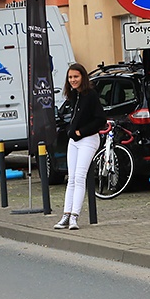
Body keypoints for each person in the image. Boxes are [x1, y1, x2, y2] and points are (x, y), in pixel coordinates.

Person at [55, 64, 105, 231]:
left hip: (88, 139)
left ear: (82, 77)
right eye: (70, 77)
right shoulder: (73, 95)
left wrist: (80, 131)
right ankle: (66, 214)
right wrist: (72, 132)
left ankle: (74, 216)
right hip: (74, 141)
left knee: (80, 177)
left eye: (76, 77)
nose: (73, 80)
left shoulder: (90, 95)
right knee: (72, 178)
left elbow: (100, 120)